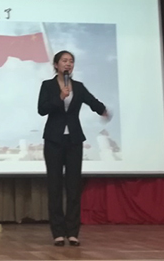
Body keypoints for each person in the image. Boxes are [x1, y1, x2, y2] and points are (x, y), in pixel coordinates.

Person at [37, 50, 109, 246]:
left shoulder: (78, 86)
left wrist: (103, 110)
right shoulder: (47, 85)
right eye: (64, 61)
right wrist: (59, 97)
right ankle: (58, 233)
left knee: (74, 186)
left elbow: (92, 101)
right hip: (53, 140)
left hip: (74, 140)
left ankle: (73, 232)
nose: (68, 64)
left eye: (71, 61)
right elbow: (42, 109)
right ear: (56, 65)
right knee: (54, 186)